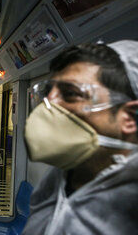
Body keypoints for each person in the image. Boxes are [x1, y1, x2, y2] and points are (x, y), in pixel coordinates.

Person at [23, 40, 138, 234]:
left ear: (129, 118)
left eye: (70, 94)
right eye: (47, 93)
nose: (48, 104)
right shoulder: (56, 181)